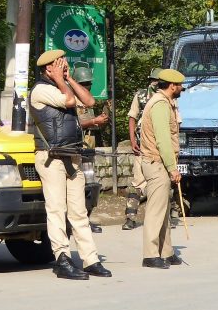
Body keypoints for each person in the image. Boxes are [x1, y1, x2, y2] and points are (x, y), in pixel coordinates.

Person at [29, 49, 112, 280]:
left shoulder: (62, 84)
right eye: (60, 64)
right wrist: (59, 79)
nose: (65, 65)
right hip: (51, 157)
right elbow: (68, 101)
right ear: (48, 68)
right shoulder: (41, 90)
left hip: (71, 155)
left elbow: (89, 100)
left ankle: (90, 259)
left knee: (78, 211)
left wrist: (69, 78)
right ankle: (62, 258)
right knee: (57, 209)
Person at [138, 69, 186, 269]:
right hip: (157, 163)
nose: (182, 88)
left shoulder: (166, 102)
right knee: (156, 211)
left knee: (164, 210)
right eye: (180, 85)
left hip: (160, 163)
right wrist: (172, 167)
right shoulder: (159, 104)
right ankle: (150, 255)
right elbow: (163, 139)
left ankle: (166, 251)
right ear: (172, 85)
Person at [122, 68, 161, 231]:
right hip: (142, 144)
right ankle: (130, 217)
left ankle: (169, 214)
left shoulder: (168, 97)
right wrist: (132, 140)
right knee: (137, 182)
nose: (155, 83)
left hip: (160, 145)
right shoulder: (141, 95)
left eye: (158, 80)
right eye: (153, 79)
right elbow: (132, 117)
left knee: (163, 182)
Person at [72, 66, 110, 234]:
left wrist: (101, 118)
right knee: (77, 185)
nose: (86, 87)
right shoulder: (71, 100)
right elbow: (74, 124)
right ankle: (77, 220)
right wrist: (94, 121)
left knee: (90, 185)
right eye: (84, 84)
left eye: (88, 84)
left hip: (89, 144)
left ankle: (86, 218)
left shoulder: (86, 99)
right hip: (77, 145)